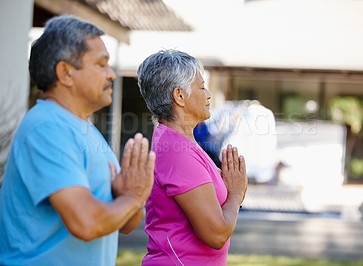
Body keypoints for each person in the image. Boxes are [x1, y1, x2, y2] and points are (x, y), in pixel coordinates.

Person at [0, 15, 155, 265]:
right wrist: (132, 199)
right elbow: (87, 223)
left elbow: (125, 224)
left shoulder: (85, 129)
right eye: (101, 64)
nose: (112, 74)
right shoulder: (46, 127)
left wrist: (131, 197)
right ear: (66, 72)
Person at [137, 49, 248, 265]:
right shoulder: (177, 152)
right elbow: (215, 235)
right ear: (179, 96)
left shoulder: (182, 143)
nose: (208, 95)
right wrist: (235, 194)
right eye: (202, 87)